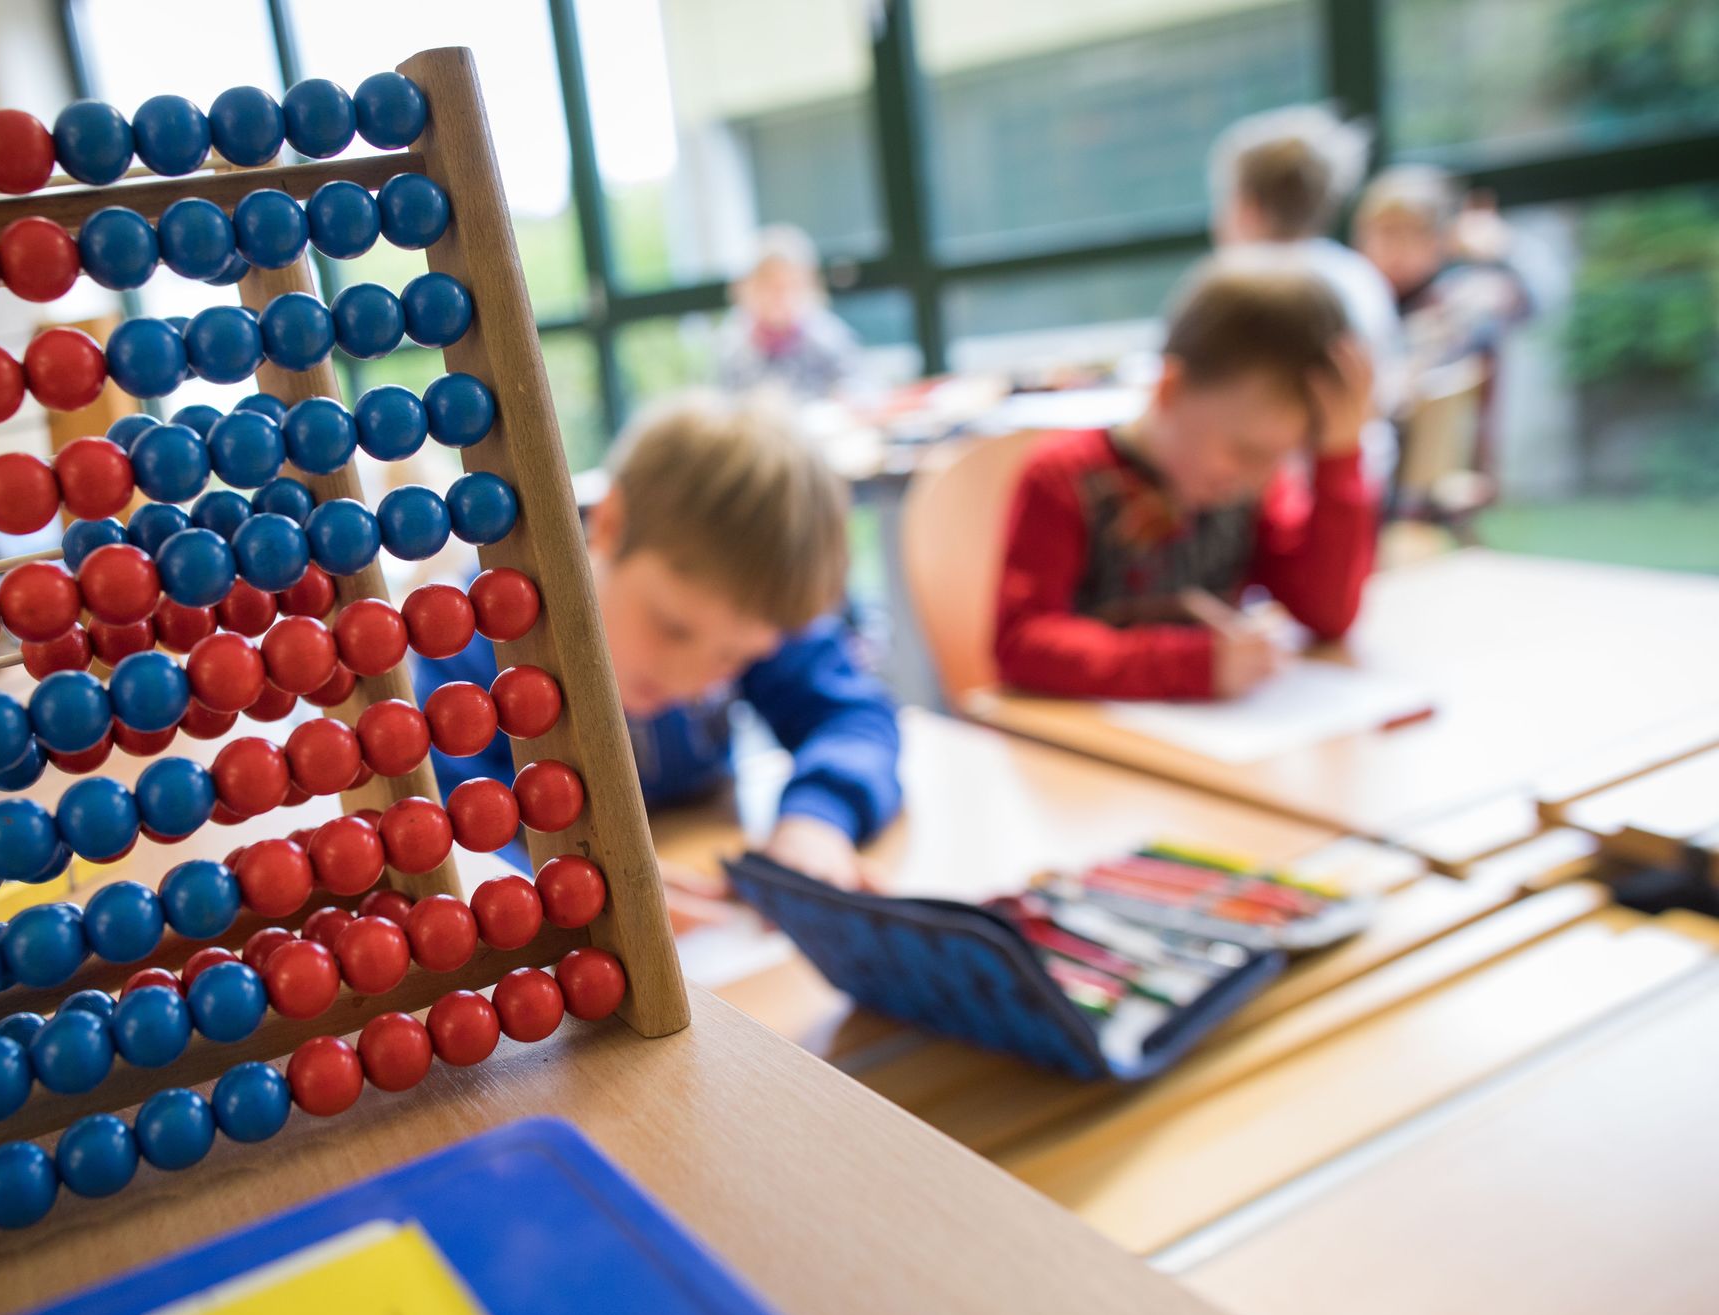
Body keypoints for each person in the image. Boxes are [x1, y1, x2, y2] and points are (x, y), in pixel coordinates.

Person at [416, 392, 900, 892]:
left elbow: (856, 720)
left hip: (696, 865)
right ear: (611, 524)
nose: (690, 680)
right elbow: (441, 819)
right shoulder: (476, 640)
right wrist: (572, 887)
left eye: (734, 658)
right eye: (673, 629)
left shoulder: (755, 606)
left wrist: (818, 819)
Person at [993, 253, 1376, 700]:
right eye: (1245, 452)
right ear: (1169, 389)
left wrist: (1339, 460)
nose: (1260, 477)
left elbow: (1328, 615)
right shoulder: (1063, 479)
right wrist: (1192, 665)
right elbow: (1021, 643)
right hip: (1078, 732)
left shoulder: (1257, 487)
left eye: (1284, 457)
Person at [1210, 105, 1405, 479]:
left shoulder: (1251, 289)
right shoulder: (1355, 272)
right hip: (1370, 470)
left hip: (1302, 483)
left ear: (1248, 208)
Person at [1354, 164, 1536, 377]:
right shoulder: (1353, 293)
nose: (1395, 249)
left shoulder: (1459, 292)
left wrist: (1504, 245)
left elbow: (1540, 295)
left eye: (1412, 234)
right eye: (1384, 232)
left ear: (1444, 240)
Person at [715, 225, 860, 401]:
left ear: (809, 286)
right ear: (746, 288)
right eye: (768, 286)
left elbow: (855, 388)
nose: (780, 296)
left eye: (790, 285)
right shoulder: (733, 344)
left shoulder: (828, 337)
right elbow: (726, 400)